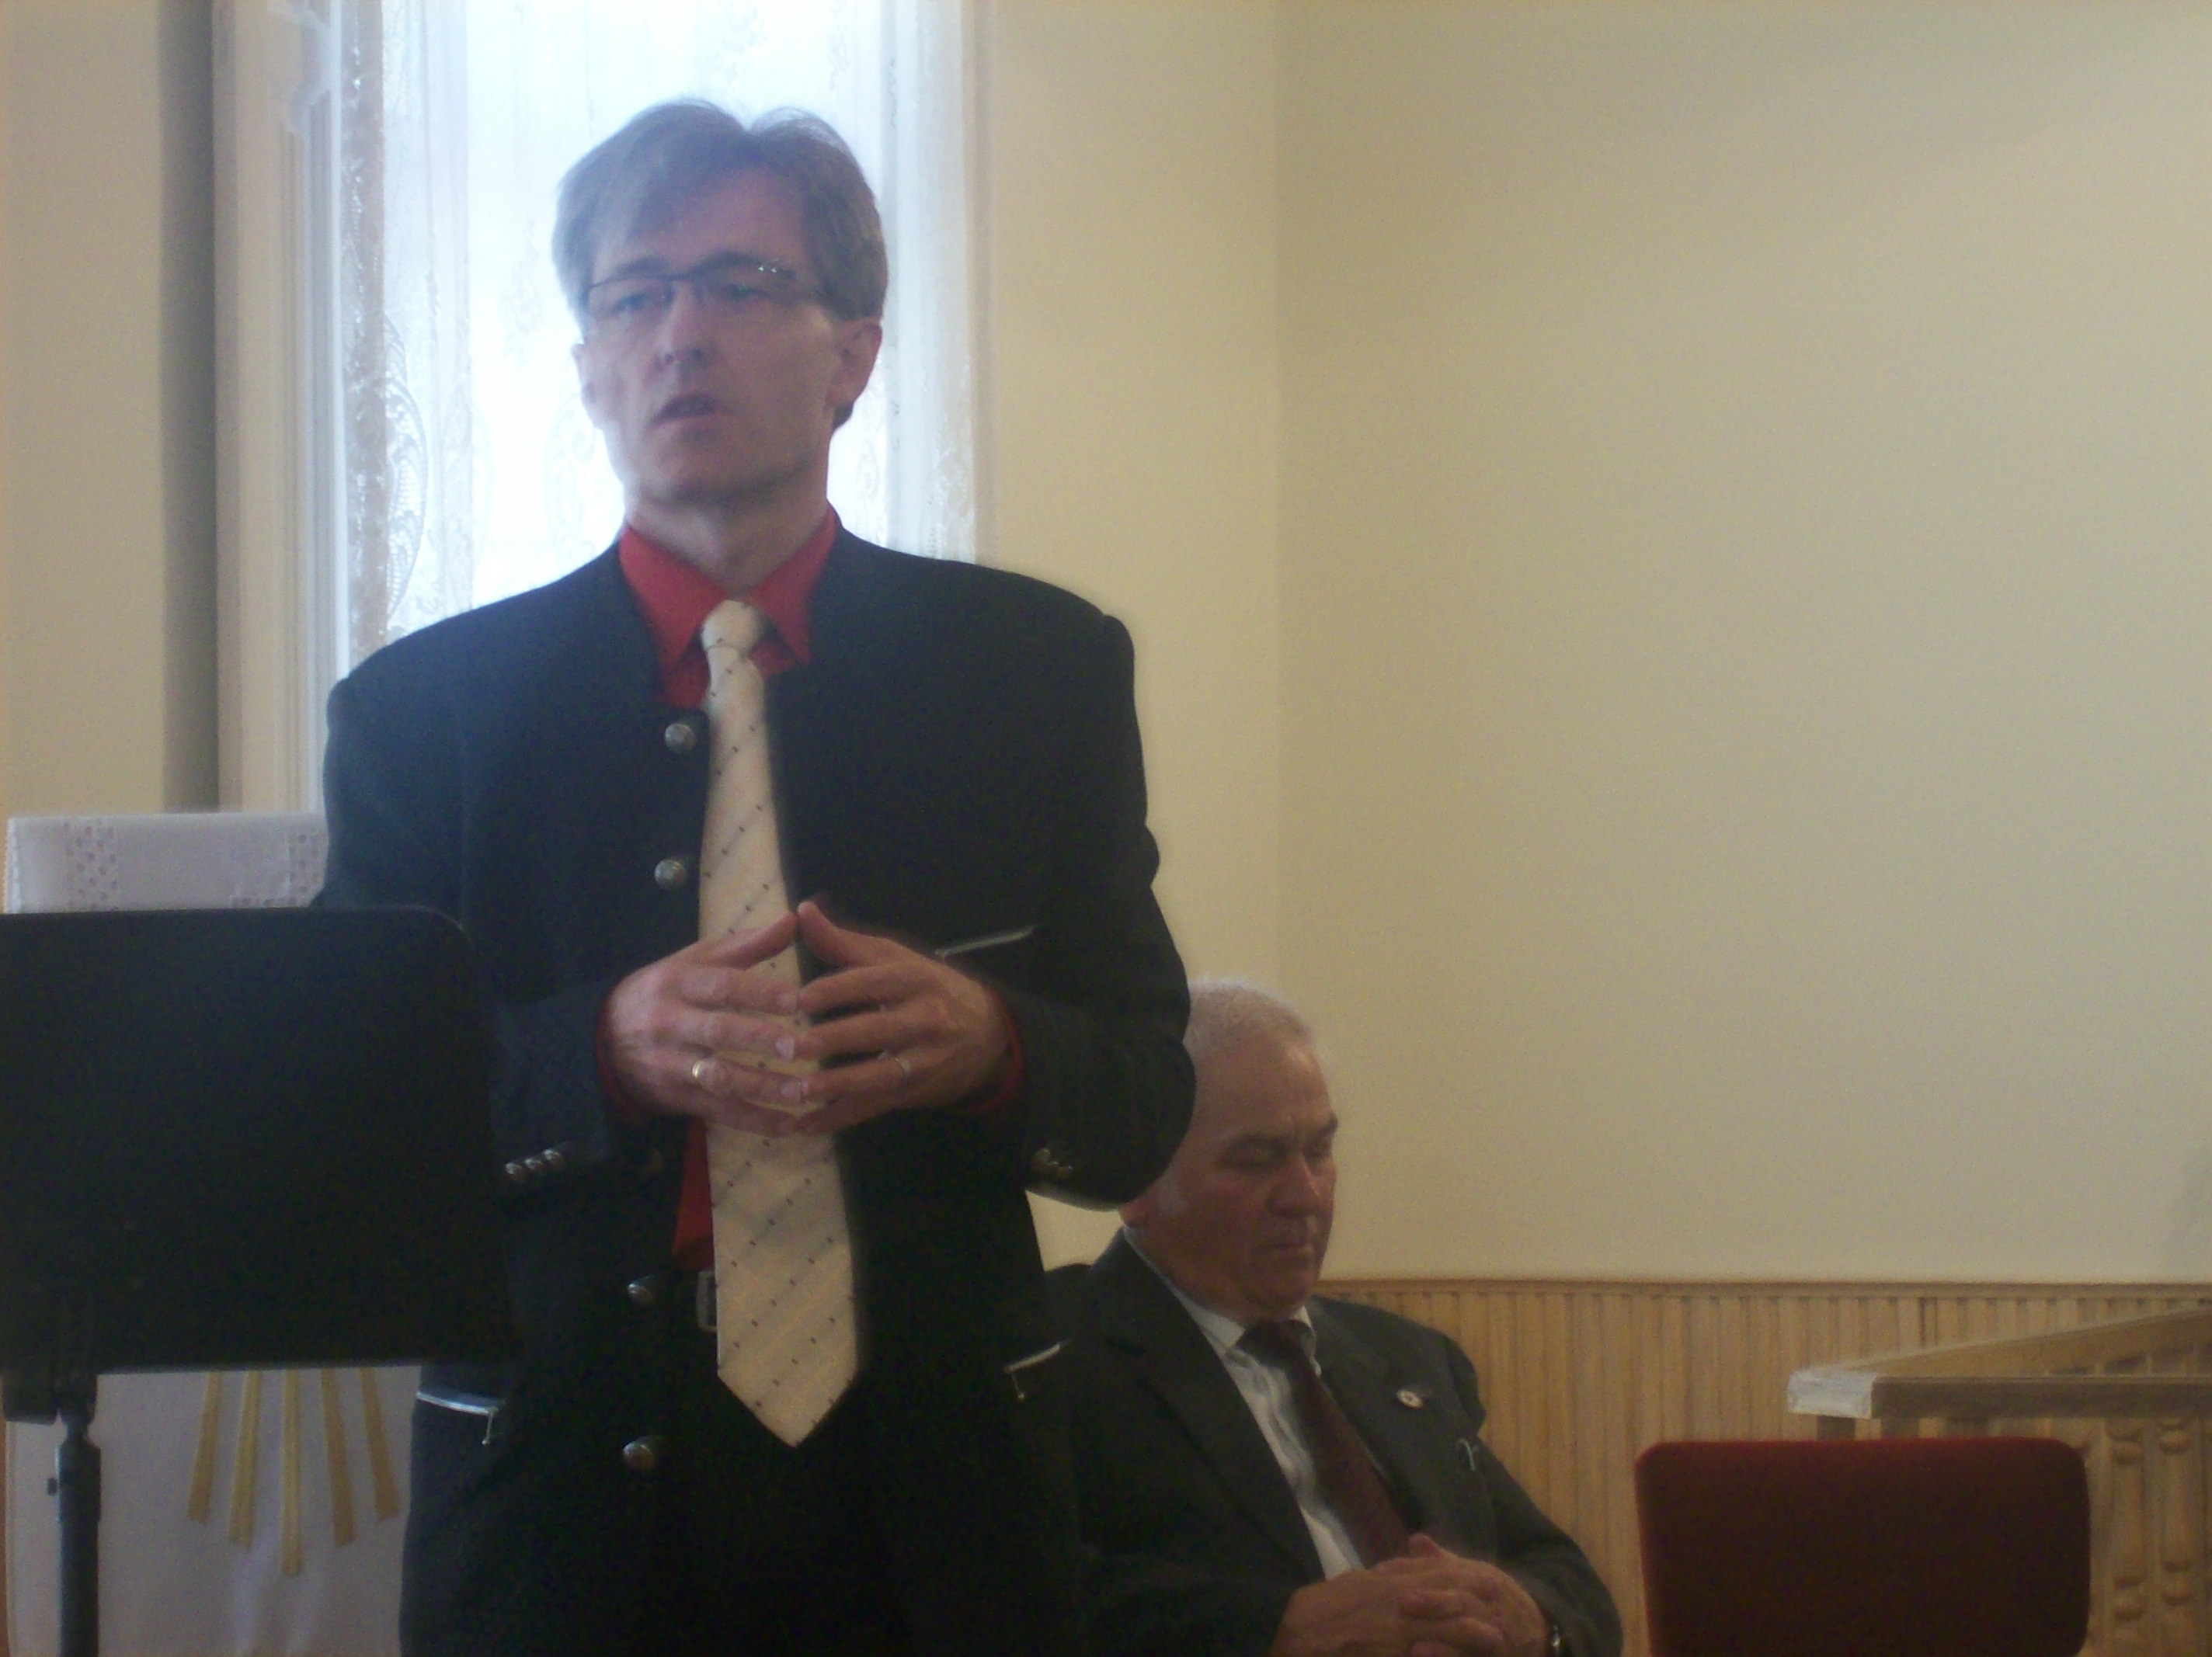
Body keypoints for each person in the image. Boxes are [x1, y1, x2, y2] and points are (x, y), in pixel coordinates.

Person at [318, 99, 1192, 1657]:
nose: (678, 333)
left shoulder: (1035, 670)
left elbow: (1141, 1096)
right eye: (631, 295)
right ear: (586, 363)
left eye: (737, 283)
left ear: (853, 353)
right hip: (556, 1505)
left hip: (946, 1504)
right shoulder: (423, 712)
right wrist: (600, 1048)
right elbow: (356, 1116)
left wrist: (995, 1043)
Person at [1053, 981, 1619, 1657]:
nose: (1306, 1195)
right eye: (1256, 1160)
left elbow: (1566, 1578)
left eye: (1319, 1150)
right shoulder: (1047, 1365)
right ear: (1138, 1183)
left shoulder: (1410, 1358)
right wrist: (1275, 1630)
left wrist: (1531, 1621)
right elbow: (1011, 1603)